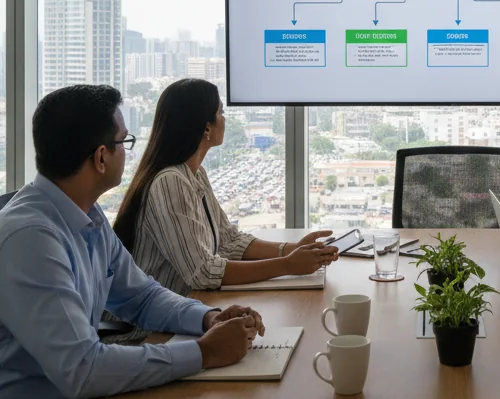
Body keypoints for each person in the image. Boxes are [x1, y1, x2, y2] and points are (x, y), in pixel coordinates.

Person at [0, 85, 262, 399]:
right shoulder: (31, 238)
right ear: (101, 157)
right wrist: (203, 353)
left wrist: (207, 318)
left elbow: (141, 296)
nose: (129, 151)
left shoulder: (84, 216)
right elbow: (84, 370)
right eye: (124, 141)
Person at [113, 79, 337, 306]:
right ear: (206, 127)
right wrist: (287, 265)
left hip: (184, 308)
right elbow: (203, 272)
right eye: (220, 112)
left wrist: (291, 250)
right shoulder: (170, 182)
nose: (224, 119)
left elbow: (229, 241)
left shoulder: (194, 174)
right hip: (149, 322)